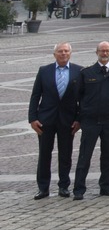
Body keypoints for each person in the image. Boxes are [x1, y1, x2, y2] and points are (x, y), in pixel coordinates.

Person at [30, 42, 82, 200]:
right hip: (46, 119)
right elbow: (35, 95)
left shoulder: (79, 71)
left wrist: (79, 119)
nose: (63, 54)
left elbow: (83, 98)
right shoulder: (44, 71)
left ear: (70, 53)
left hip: (68, 120)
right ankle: (43, 188)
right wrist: (32, 118)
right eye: (60, 51)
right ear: (54, 54)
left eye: (66, 51)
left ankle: (64, 186)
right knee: (44, 154)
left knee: (65, 154)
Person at [73, 41, 109, 199]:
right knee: (84, 156)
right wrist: (78, 118)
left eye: (107, 50)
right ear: (97, 52)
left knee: (108, 156)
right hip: (90, 120)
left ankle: (106, 186)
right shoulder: (87, 73)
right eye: (102, 50)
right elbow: (77, 96)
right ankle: (79, 189)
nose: (105, 53)